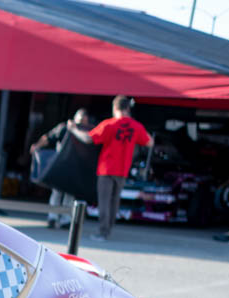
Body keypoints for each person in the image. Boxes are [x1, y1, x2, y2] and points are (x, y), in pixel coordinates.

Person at [70, 96, 152, 240]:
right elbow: (149, 142)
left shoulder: (109, 124)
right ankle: (109, 229)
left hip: (106, 169)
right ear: (128, 109)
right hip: (122, 170)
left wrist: (74, 130)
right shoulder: (136, 126)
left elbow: (89, 139)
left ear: (115, 108)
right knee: (114, 201)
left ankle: (103, 232)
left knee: (104, 201)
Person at [31, 108, 93, 227]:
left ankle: (66, 220)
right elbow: (48, 137)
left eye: (84, 122)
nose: (81, 125)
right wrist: (37, 146)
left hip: (75, 168)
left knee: (70, 194)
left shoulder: (86, 132)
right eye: (80, 122)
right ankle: (53, 217)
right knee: (57, 191)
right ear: (75, 119)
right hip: (61, 166)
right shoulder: (64, 128)